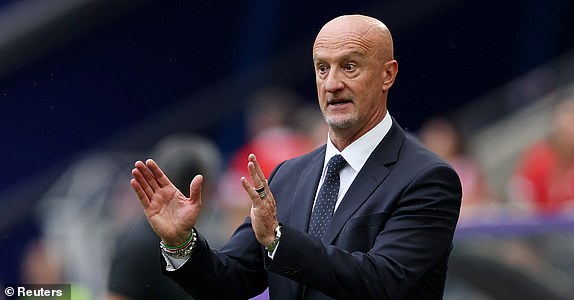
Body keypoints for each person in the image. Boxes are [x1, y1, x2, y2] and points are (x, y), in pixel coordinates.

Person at [130, 14, 462, 299]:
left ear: (388, 74)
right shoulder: (288, 175)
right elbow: (228, 283)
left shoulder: (428, 178)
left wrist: (278, 240)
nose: (332, 84)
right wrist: (181, 242)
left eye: (349, 67)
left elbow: (381, 282)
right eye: (322, 68)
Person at [508, 97, 574, 216]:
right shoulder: (537, 158)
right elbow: (519, 196)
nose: (567, 133)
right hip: (542, 230)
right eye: (563, 130)